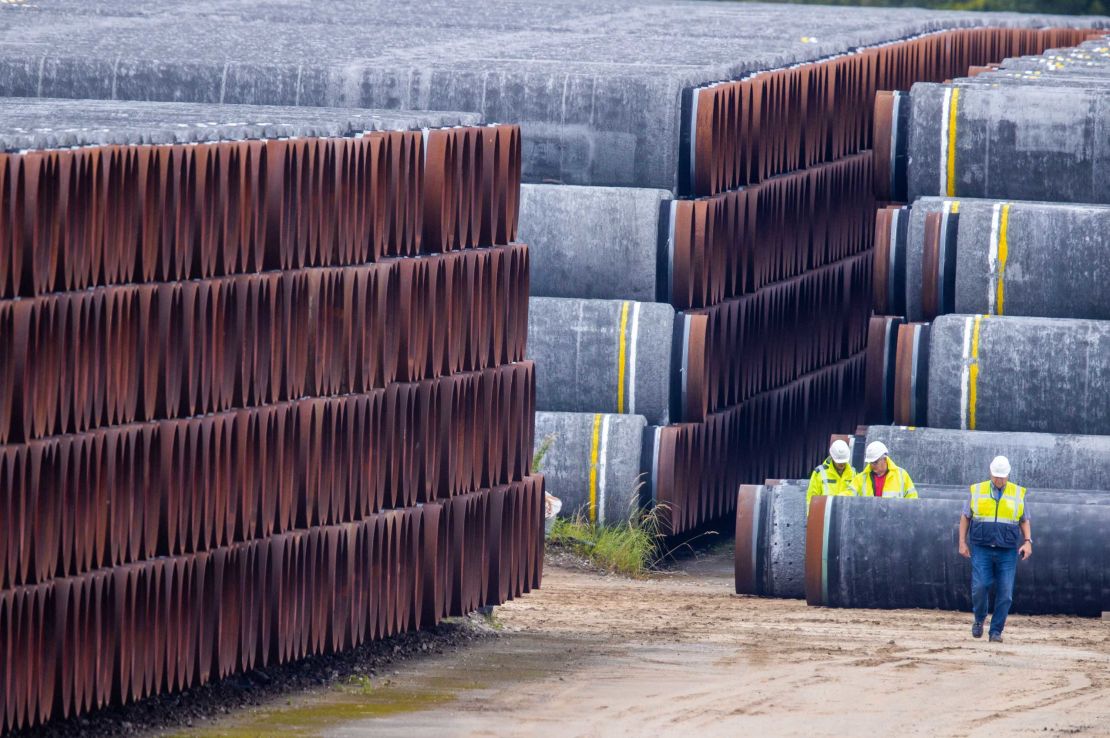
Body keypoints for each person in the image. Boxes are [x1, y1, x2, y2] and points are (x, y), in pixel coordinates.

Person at [958, 455, 1032, 643]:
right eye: (996, 476)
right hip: (981, 547)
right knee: (981, 586)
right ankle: (979, 618)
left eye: (1002, 477)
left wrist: (1028, 541)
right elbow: (966, 516)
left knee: (1005, 593)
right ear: (991, 473)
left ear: (1008, 475)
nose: (999, 480)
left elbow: (1024, 519)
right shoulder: (978, 490)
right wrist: (962, 542)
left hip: (1007, 550)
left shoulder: (1017, 493)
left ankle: (996, 631)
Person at [850, 441, 917, 498]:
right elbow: (847, 495)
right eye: (870, 462)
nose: (872, 465)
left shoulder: (902, 476)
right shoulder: (860, 479)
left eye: (875, 462)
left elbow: (912, 500)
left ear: (884, 459)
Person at [806, 439, 856, 514]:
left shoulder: (853, 473)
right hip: (825, 516)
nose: (842, 463)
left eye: (843, 461)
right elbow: (811, 499)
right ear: (832, 457)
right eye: (839, 461)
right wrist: (812, 519)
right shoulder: (819, 472)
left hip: (846, 517)